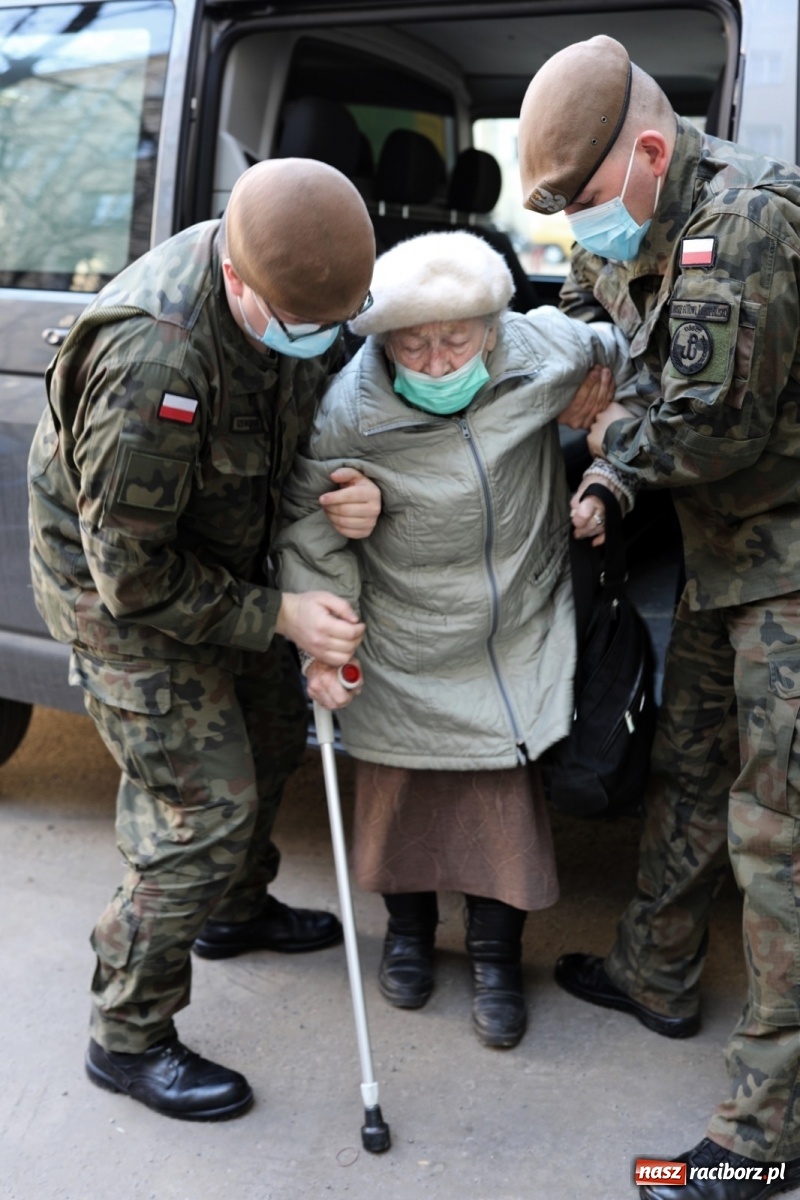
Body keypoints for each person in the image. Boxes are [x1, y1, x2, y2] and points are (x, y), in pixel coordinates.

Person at [27, 158, 383, 1122]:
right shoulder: (158, 360)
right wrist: (279, 615)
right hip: (122, 595)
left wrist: (349, 486)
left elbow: (298, 423)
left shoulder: (297, 281)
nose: (325, 339)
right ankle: (128, 1034)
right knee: (202, 806)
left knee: (272, 733)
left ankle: (234, 908)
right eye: (306, 325)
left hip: (225, 552)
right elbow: (131, 577)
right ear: (237, 282)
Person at [518, 34, 800, 1199]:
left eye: (583, 204)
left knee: (777, 839)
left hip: (785, 564)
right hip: (721, 555)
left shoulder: (740, 224)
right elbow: (600, 323)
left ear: (647, 151)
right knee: (683, 764)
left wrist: (607, 468)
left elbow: (707, 423)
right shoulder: (636, 222)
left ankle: (762, 1137)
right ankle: (655, 972)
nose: (579, 234)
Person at [276, 229, 639, 1050]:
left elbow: (638, 357)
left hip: (513, 619)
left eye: (457, 340)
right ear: (382, 341)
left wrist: (605, 419)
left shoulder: (540, 347)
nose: (439, 363)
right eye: (415, 345)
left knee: (500, 809)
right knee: (397, 795)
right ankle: (406, 938)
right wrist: (323, 640)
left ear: (493, 327)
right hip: (402, 625)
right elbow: (310, 529)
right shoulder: (349, 412)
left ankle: (495, 957)